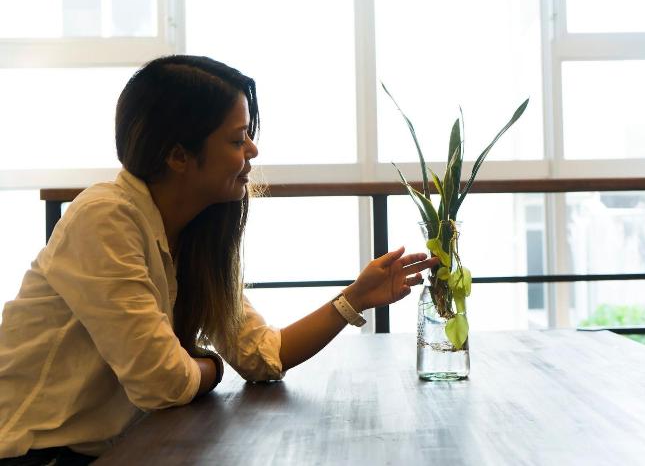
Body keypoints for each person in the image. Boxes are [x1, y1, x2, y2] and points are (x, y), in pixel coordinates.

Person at [0, 55, 437, 465]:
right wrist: (212, 367)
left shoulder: (191, 232)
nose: (252, 150)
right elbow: (161, 383)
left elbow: (261, 355)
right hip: (32, 454)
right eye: (237, 138)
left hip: (113, 450)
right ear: (178, 155)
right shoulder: (105, 217)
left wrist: (355, 298)